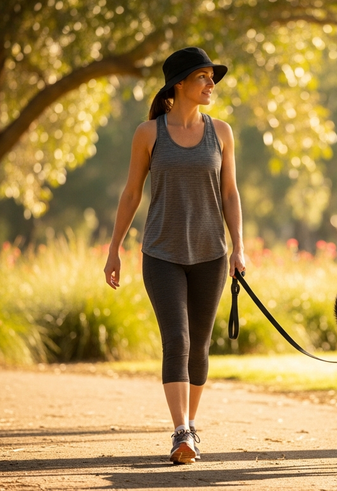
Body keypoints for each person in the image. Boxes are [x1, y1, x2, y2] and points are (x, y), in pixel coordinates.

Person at [103, 47, 245, 465]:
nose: (210, 84)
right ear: (178, 85)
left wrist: (240, 246)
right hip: (161, 253)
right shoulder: (149, 134)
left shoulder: (221, 132)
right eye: (202, 77)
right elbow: (131, 194)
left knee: (199, 344)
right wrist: (114, 249)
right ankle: (180, 429)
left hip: (210, 255)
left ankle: (189, 431)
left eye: (211, 77)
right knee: (177, 339)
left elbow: (231, 193)